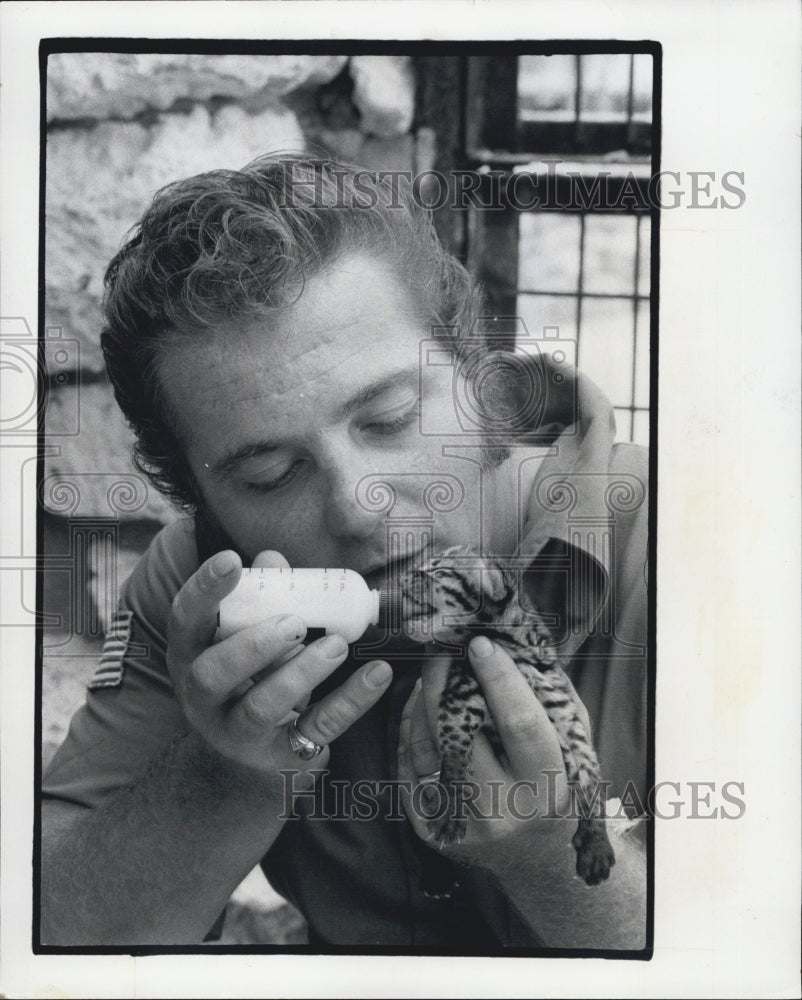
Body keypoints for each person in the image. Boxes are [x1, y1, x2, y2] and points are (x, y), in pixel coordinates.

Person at [41, 155, 649, 950]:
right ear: (198, 498)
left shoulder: (701, 550)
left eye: (391, 419)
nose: (358, 508)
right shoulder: (202, 586)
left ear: (476, 374)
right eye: (270, 473)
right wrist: (226, 770)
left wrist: (557, 864)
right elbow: (50, 939)